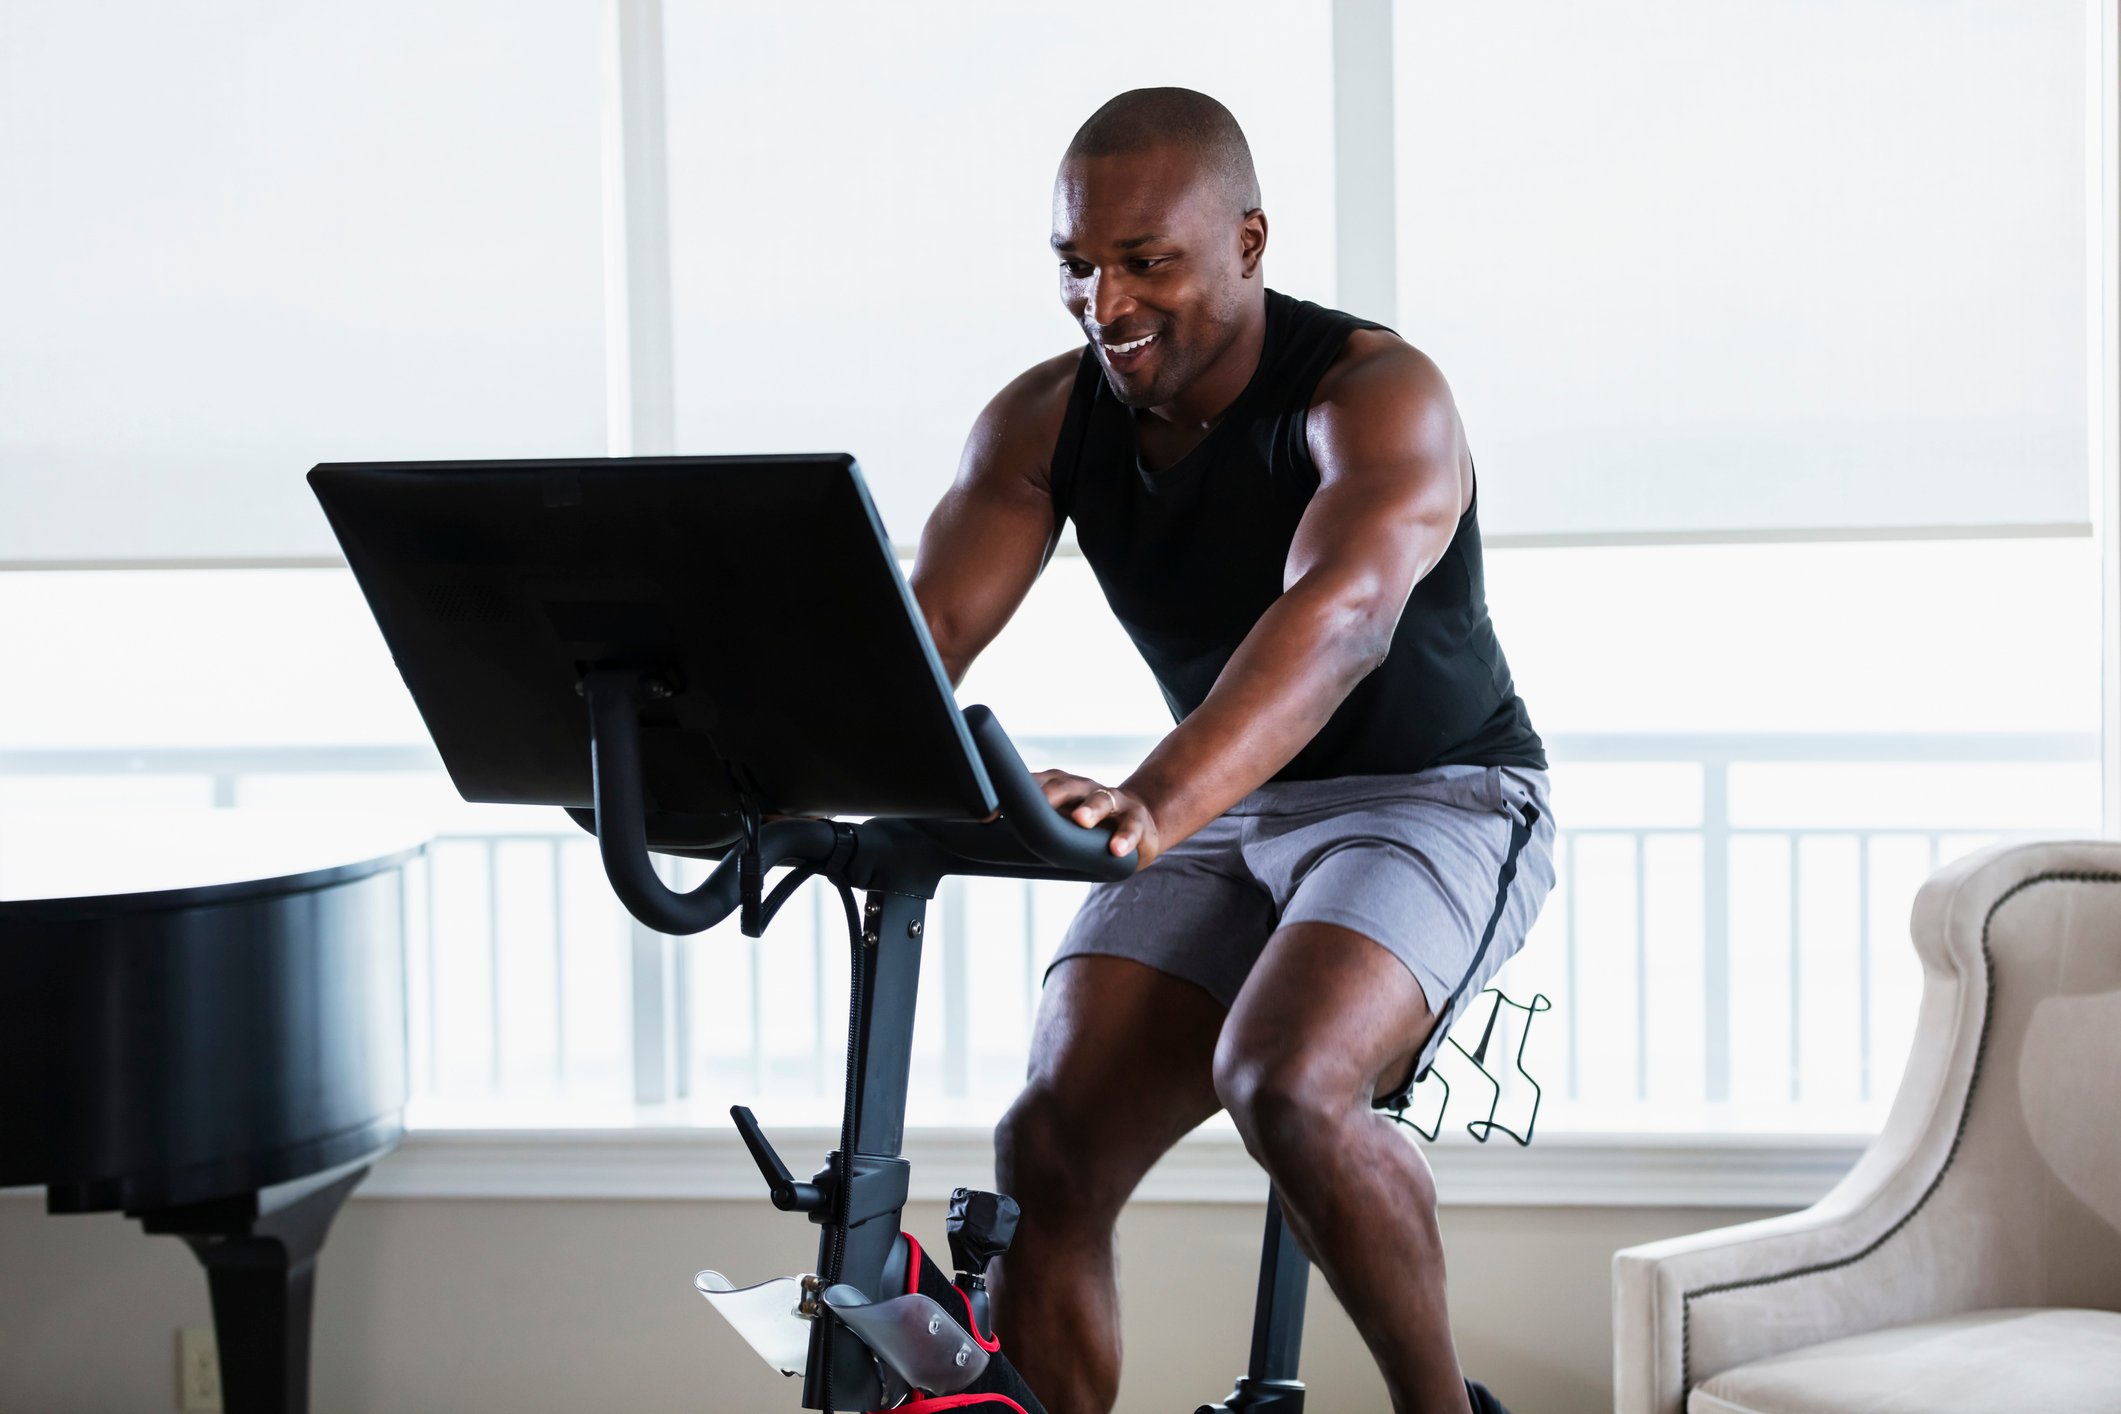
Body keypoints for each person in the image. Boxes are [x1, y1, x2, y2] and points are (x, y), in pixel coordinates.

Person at [907, 87, 1556, 1414]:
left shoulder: (1374, 394)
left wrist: (1150, 796)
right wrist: (725, 757)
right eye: (1077, 266)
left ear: (1247, 243)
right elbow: (924, 637)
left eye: (1147, 262)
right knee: (1050, 1141)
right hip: (1224, 801)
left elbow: (1343, 621)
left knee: (1288, 1079)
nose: (1107, 305)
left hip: (1434, 793)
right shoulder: (1041, 421)